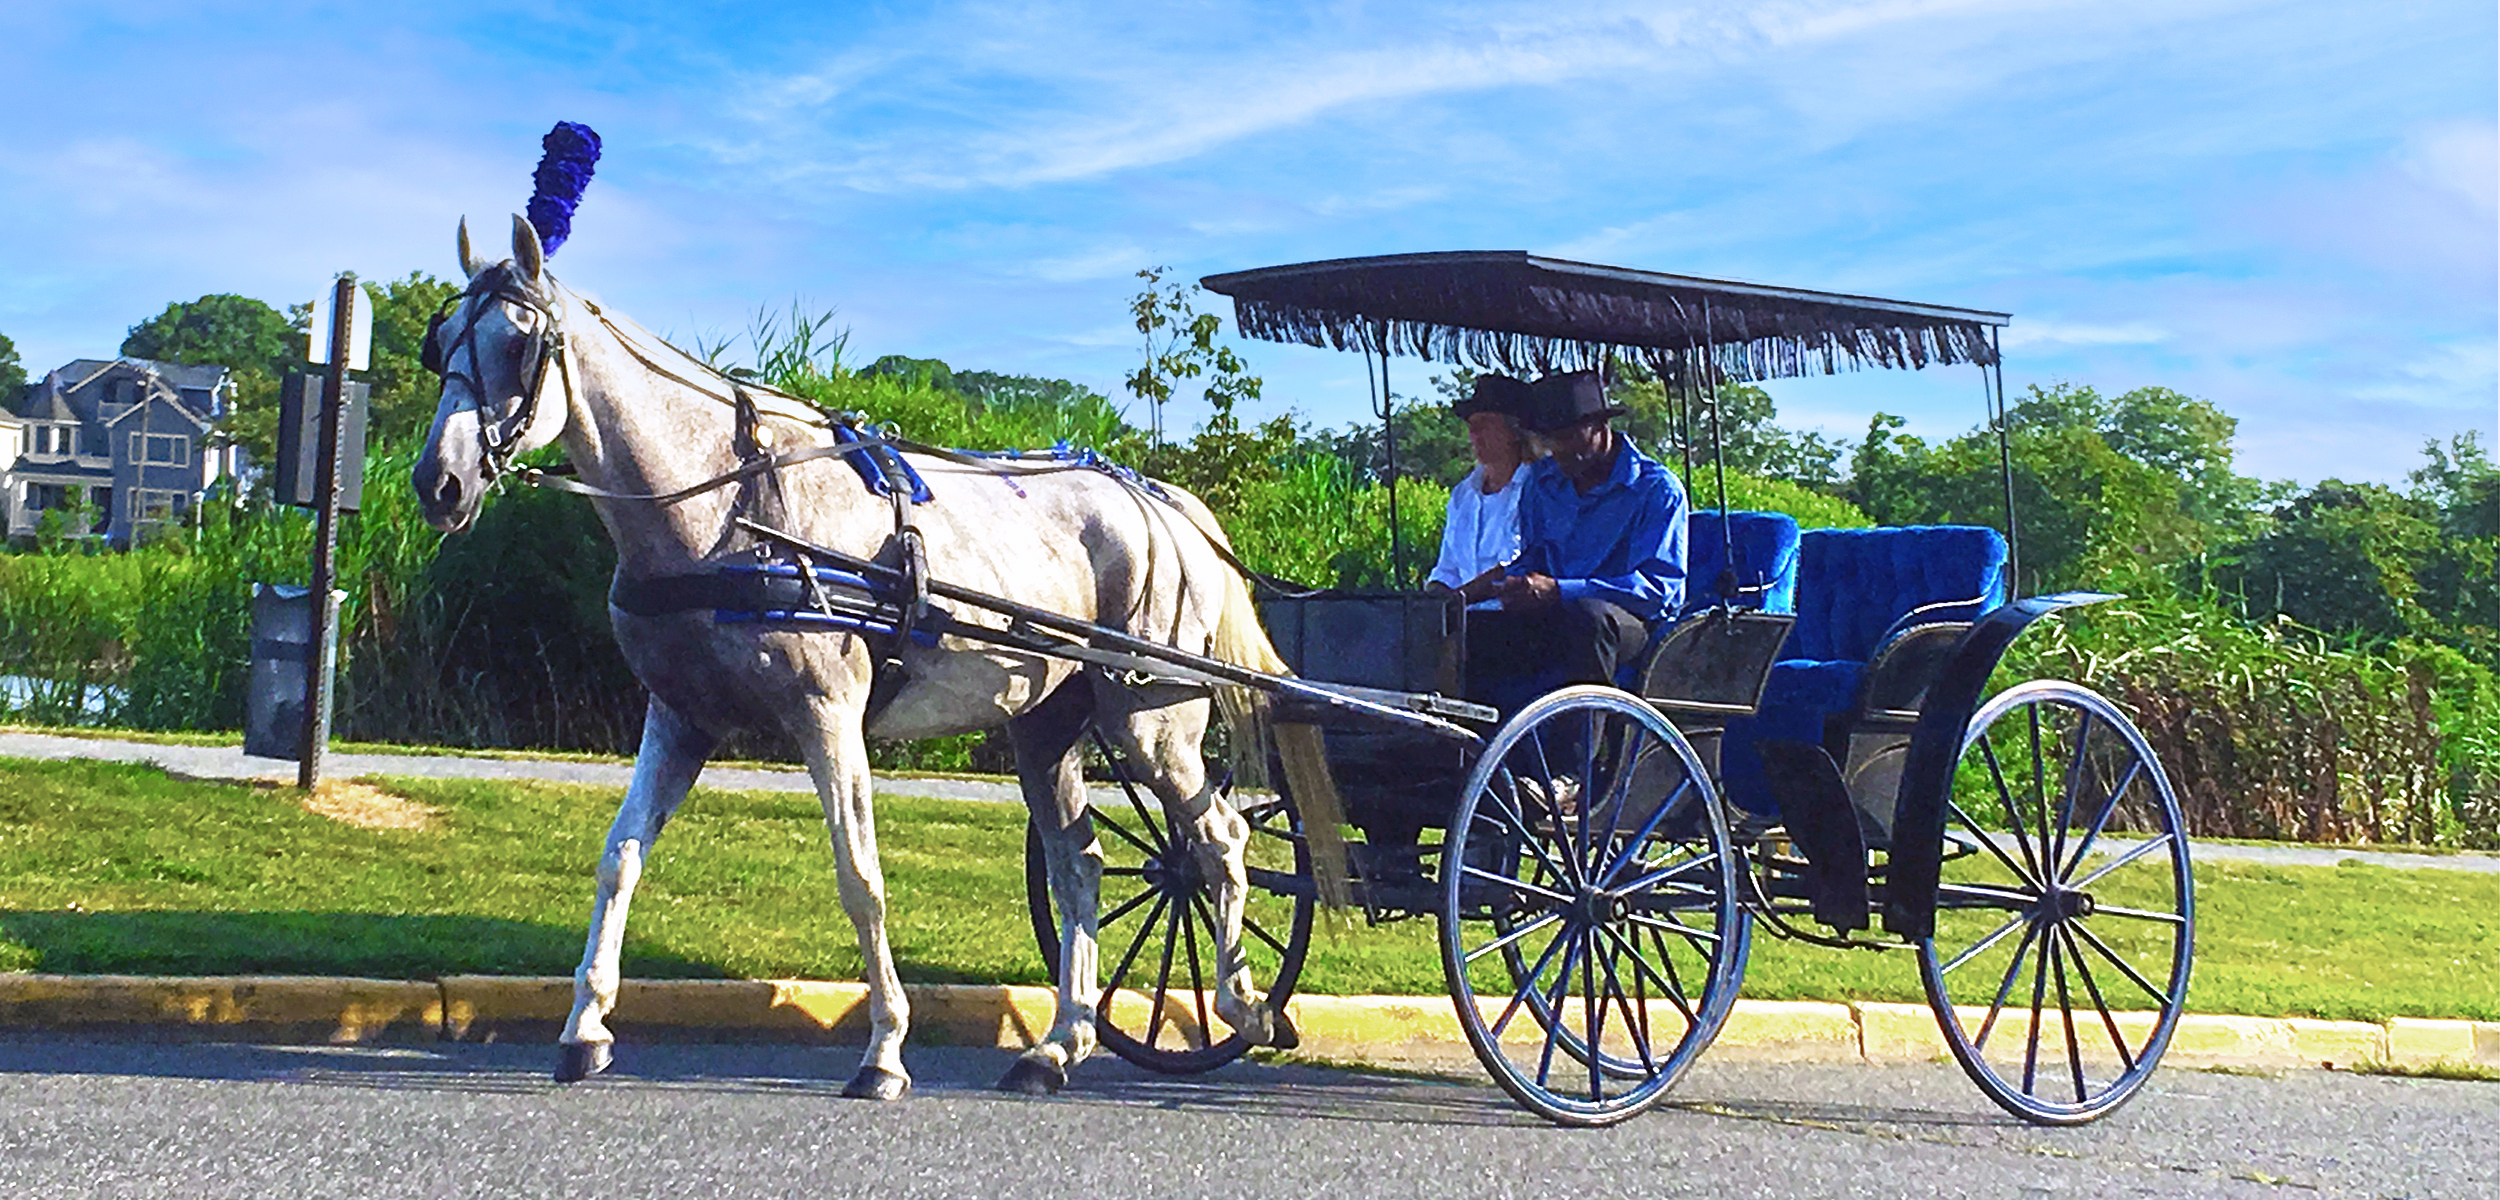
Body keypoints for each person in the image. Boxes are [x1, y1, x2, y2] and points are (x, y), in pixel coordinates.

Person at [1467, 370, 1688, 709]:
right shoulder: (1542, 481)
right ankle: (1471, 747)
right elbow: (1535, 556)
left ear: (1601, 429)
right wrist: (1512, 586)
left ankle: (1581, 756)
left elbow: (1660, 591)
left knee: (1588, 619)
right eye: (1550, 440)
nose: (1559, 450)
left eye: (1570, 437)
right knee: (1472, 627)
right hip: (1554, 615)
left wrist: (1561, 590)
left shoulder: (1655, 489)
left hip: (1631, 626)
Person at [1425, 373, 1536, 602]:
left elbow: (1519, 567)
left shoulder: (1538, 490)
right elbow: (1447, 570)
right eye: (1471, 425)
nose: (1474, 434)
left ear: (1514, 431)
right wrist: (1431, 604)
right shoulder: (1463, 495)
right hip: (1466, 622)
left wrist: (1458, 599)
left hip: (1517, 623)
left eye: (1484, 424)